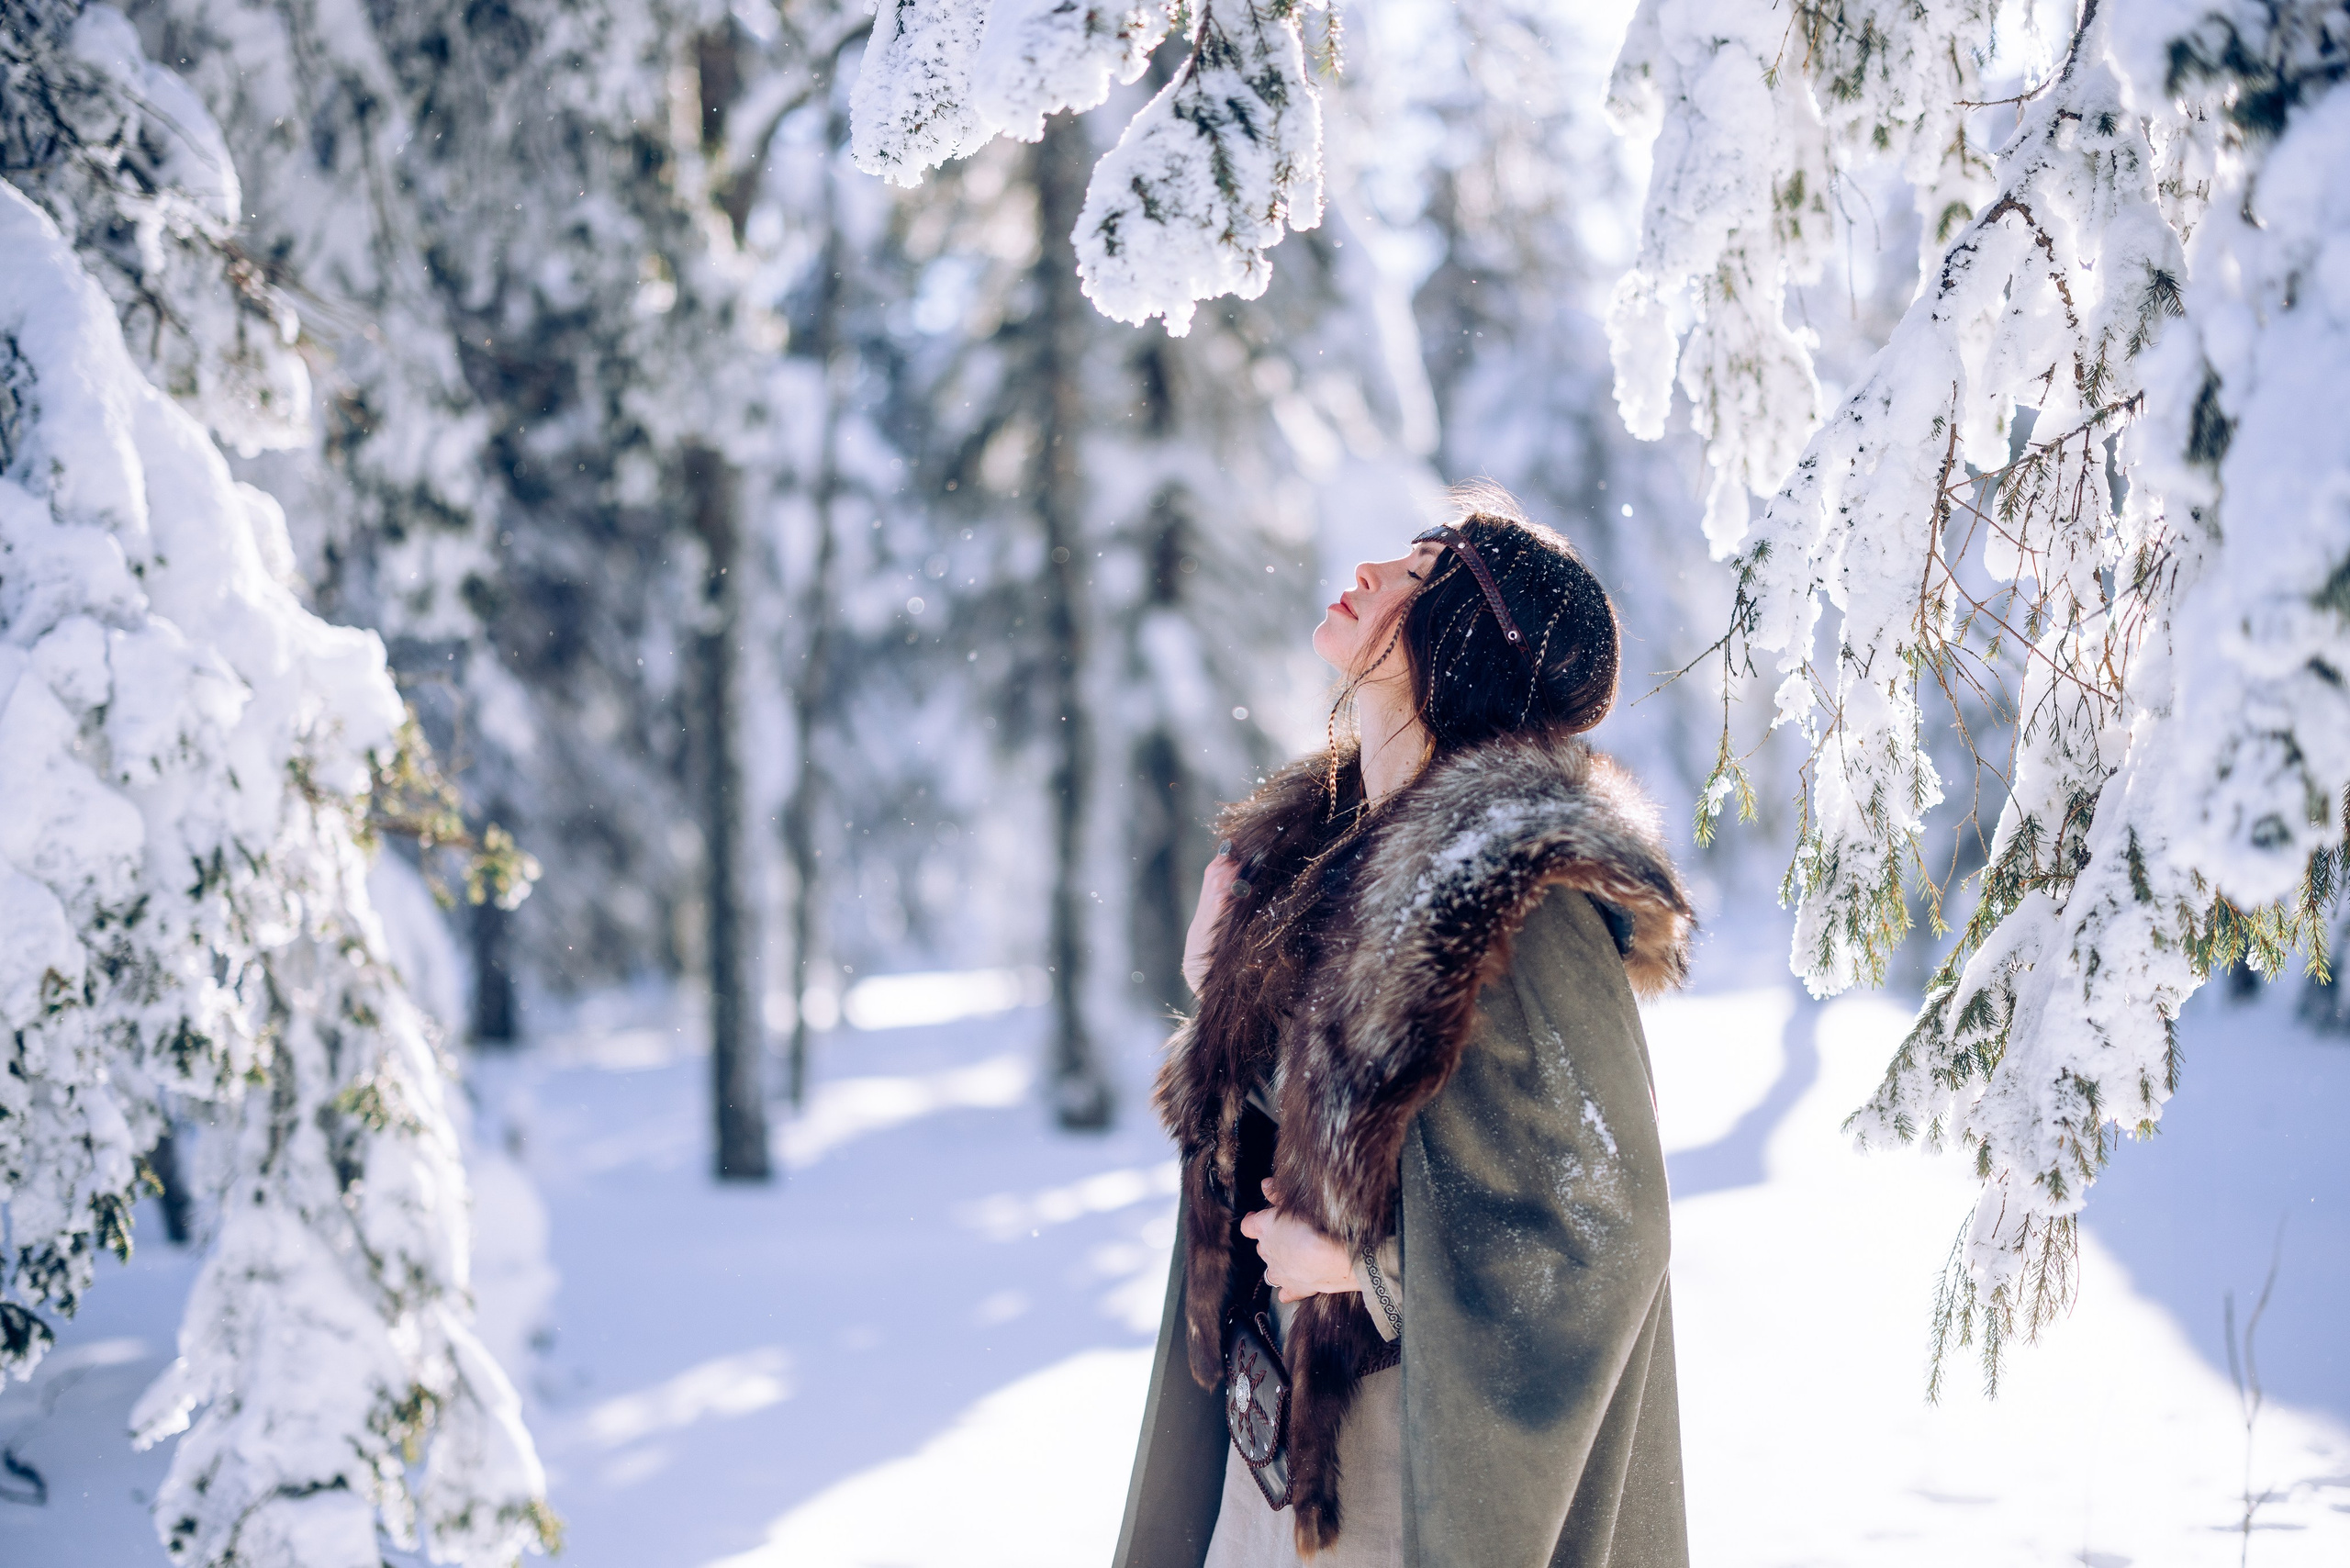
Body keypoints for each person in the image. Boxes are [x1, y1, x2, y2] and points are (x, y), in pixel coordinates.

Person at [1111, 488, 1694, 1568]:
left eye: (1418, 575)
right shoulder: (1327, 858)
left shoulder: (1519, 889)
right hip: (1273, 1455)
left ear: (1466, 641)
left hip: (1405, 1478)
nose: (1371, 572)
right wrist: (1224, 992)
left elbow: (1607, 1232)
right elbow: (1312, 1123)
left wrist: (1370, 1266)